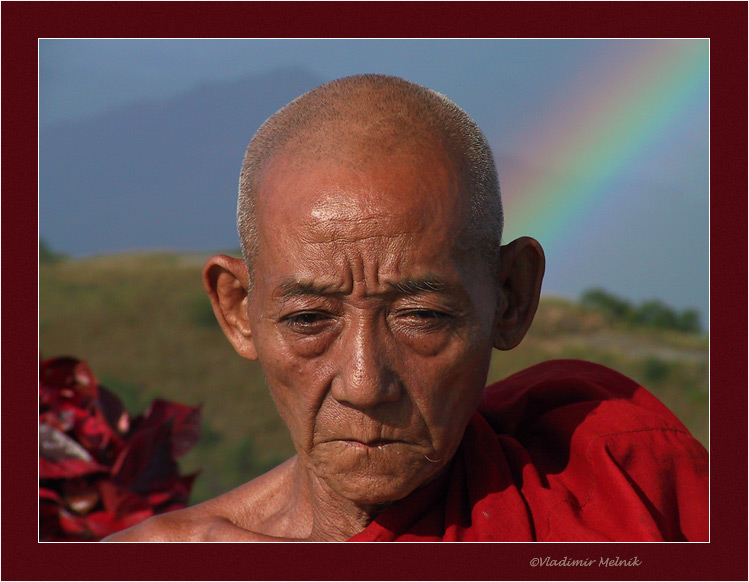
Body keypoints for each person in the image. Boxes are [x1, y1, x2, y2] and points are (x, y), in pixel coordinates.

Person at [104, 74, 708, 542]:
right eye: (310, 320)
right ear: (239, 311)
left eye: (423, 317)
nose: (366, 385)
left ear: (511, 297)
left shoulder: (628, 484)